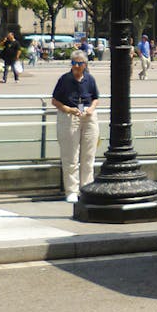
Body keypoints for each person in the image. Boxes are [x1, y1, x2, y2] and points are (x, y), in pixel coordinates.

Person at [51, 50, 100, 203]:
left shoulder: (90, 79)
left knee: (88, 156)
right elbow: (55, 101)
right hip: (70, 116)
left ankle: (87, 187)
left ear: (85, 65)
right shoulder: (64, 80)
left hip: (88, 116)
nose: (76, 67)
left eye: (79, 64)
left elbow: (95, 98)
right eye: (74, 63)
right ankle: (72, 190)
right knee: (70, 156)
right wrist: (68, 109)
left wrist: (91, 109)